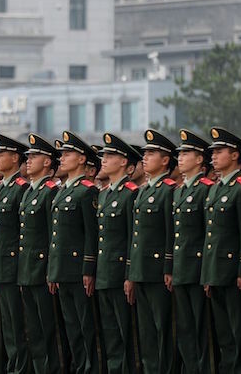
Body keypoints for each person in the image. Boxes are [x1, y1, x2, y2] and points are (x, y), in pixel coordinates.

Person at [200, 127, 241, 374]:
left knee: (238, 330)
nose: (213, 156)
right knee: (223, 334)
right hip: (215, 271)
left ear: (234, 155)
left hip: (232, 273)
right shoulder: (214, 189)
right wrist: (207, 273)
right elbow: (210, 235)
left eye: (219, 151)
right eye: (213, 152)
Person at [48, 131, 100, 374]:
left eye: (67, 154)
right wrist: (53, 270)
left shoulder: (87, 191)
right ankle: (79, 366)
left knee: (86, 325)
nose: (62, 158)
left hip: (79, 271)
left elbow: (91, 234)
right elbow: (56, 236)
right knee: (71, 327)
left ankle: (90, 367)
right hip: (62, 270)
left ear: (81, 159)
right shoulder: (62, 191)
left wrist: (88, 269)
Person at [127, 129, 177, 374]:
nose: (145, 158)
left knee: (163, 330)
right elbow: (136, 237)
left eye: (151, 153)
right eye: (144, 154)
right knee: (146, 332)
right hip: (141, 270)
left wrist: (168, 267)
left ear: (165, 160)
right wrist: (131, 272)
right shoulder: (144, 191)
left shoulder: (168, 190)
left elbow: (170, 232)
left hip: (158, 272)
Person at [96, 133, 142, 374]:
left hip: (120, 272)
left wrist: (129, 274)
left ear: (124, 162)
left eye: (110, 155)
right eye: (104, 155)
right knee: (111, 333)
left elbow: (133, 237)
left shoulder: (131, 193)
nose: (104, 159)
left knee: (127, 333)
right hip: (104, 272)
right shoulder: (104, 194)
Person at [18, 134, 63, 374]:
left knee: (48, 328)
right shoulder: (29, 192)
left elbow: (52, 236)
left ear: (47, 162)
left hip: (43, 270)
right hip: (26, 269)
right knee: (33, 330)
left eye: (34, 156)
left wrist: (50, 271)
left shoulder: (49, 191)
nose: (28, 160)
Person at [170, 129, 214, 374]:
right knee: (185, 328)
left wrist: (206, 271)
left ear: (199, 159)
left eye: (186, 153)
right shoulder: (179, 191)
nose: (180, 157)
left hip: (198, 270)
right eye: (180, 153)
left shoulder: (205, 189)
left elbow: (209, 233)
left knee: (201, 329)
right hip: (181, 269)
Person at [0, 133, 30, 374]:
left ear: (15, 158)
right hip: (2, 268)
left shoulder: (20, 188)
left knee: (18, 325)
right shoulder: (1, 189)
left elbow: (22, 235)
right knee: (8, 327)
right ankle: (13, 367)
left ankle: (20, 369)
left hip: (16, 268)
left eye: (0, 154)